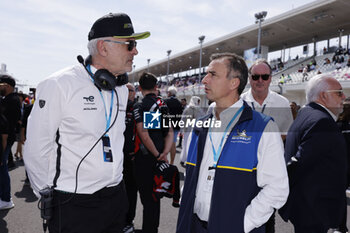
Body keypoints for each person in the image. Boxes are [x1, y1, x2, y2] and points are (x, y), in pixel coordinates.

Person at [24, 13, 150, 233]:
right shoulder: (60, 84)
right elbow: (36, 146)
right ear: (103, 47)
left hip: (116, 196)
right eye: (130, 44)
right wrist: (46, 194)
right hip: (73, 202)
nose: (135, 51)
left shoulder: (120, 88)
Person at [177, 52, 289, 233]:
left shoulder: (263, 127)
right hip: (194, 225)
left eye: (212, 74)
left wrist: (242, 223)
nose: (204, 80)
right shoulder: (200, 126)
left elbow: (277, 188)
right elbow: (191, 175)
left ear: (234, 83)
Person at [279, 74, 347, 233]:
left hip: (304, 206)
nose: (344, 97)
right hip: (314, 209)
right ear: (324, 95)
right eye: (339, 92)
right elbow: (298, 164)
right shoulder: (322, 122)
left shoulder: (305, 114)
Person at [133, 72, 173, 233]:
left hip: (145, 160)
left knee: (147, 199)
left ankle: (149, 229)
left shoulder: (141, 105)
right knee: (155, 199)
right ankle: (152, 229)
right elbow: (169, 132)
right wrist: (164, 154)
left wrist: (157, 154)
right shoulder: (161, 104)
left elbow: (144, 134)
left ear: (140, 87)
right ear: (156, 87)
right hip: (159, 158)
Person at [241, 59, 293, 141]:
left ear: (270, 78)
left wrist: (267, 145)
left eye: (264, 77)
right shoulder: (239, 102)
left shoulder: (283, 102)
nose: (260, 80)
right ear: (249, 78)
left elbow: (285, 132)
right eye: (255, 77)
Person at [0, 75, 21, 210]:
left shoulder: (11, 100)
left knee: (2, 168)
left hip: (5, 138)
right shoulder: (10, 99)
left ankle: (6, 199)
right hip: (6, 137)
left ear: (7, 86)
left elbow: (7, 124)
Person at [122, 83, 137, 233]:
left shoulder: (140, 107)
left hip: (132, 157)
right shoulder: (112, 106)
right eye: (124, 90)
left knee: (131, 191)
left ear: (135, 93)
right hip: (112, 159)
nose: (127, 93)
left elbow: (154, 132)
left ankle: (128, 221)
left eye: (130, 90)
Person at [334, 97, 350, 233]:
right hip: (342, 167)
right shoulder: (336, 125)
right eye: (344, 106)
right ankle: (340, 226)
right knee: (339, 197)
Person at [179, 96, 204, 165]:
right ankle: (187, 160)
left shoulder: (188, 108)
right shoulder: (199, 110)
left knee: (186, 144)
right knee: (189, 145)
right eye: (198, 101)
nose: (199, 103)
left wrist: (181, 129)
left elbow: (182, 119)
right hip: (193, 130)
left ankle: (183, 159)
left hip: (189, 130)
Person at [164, 86, 183, 164]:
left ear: (170, 93)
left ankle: (165, 161)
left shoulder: (165, 101)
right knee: (173, 145)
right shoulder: (179, 102)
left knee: (165, 144)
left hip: (167, 126)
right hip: (176, 126)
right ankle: (172, 162)